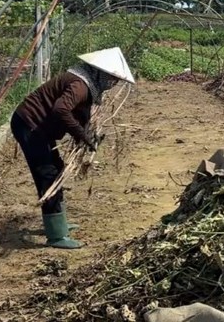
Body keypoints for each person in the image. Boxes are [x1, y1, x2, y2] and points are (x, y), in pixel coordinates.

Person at [10, 47, 136, 249]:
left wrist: (87, 134)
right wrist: (81, 134)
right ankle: (56, 235)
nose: (114, 84)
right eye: (112, 79)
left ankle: (59, 222)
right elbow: (60, 110)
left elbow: (80, 113)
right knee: (48, 174)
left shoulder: (84, 82)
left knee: (57, 168)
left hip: (38, 127)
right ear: (100, 73)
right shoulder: (80, 86)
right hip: (30, 125)